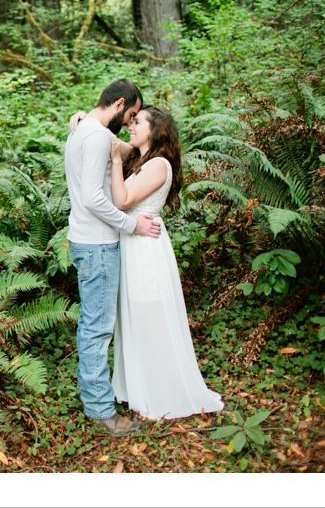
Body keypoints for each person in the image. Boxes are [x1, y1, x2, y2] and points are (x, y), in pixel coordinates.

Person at [72, 105, 224, 420]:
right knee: (132, 319)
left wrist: (114, 160)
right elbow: (103, 133)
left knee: (149, 315)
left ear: (155, 130)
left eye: (137, 122)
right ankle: (135, 388)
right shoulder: (139, 156)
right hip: (128, 244)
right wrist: (81, 117)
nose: (130, 124)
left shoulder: (158, 164)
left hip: (144, 248)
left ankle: (163, 391)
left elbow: (123, 200)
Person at [64, 79, 161, 437]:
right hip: (98, 243)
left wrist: (81, 117)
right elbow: (92, 197)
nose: (131, 122)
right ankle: (101, 409)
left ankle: (98, 400)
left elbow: (130, 151)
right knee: (97, 327)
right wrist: (131, 224)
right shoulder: (95, 136)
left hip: (86, 240)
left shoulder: (85, 131)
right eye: (132, 114)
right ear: (120, 104)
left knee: (94, 323)